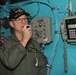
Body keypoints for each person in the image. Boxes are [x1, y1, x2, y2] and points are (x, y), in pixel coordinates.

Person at [0, 7, 48, 75]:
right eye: (19, 19)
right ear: (11, 24)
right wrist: (24, 40)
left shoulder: (34, 43)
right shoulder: (4, 42)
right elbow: (10, 63)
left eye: (25, 19)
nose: (23, 22)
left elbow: (42, 66)